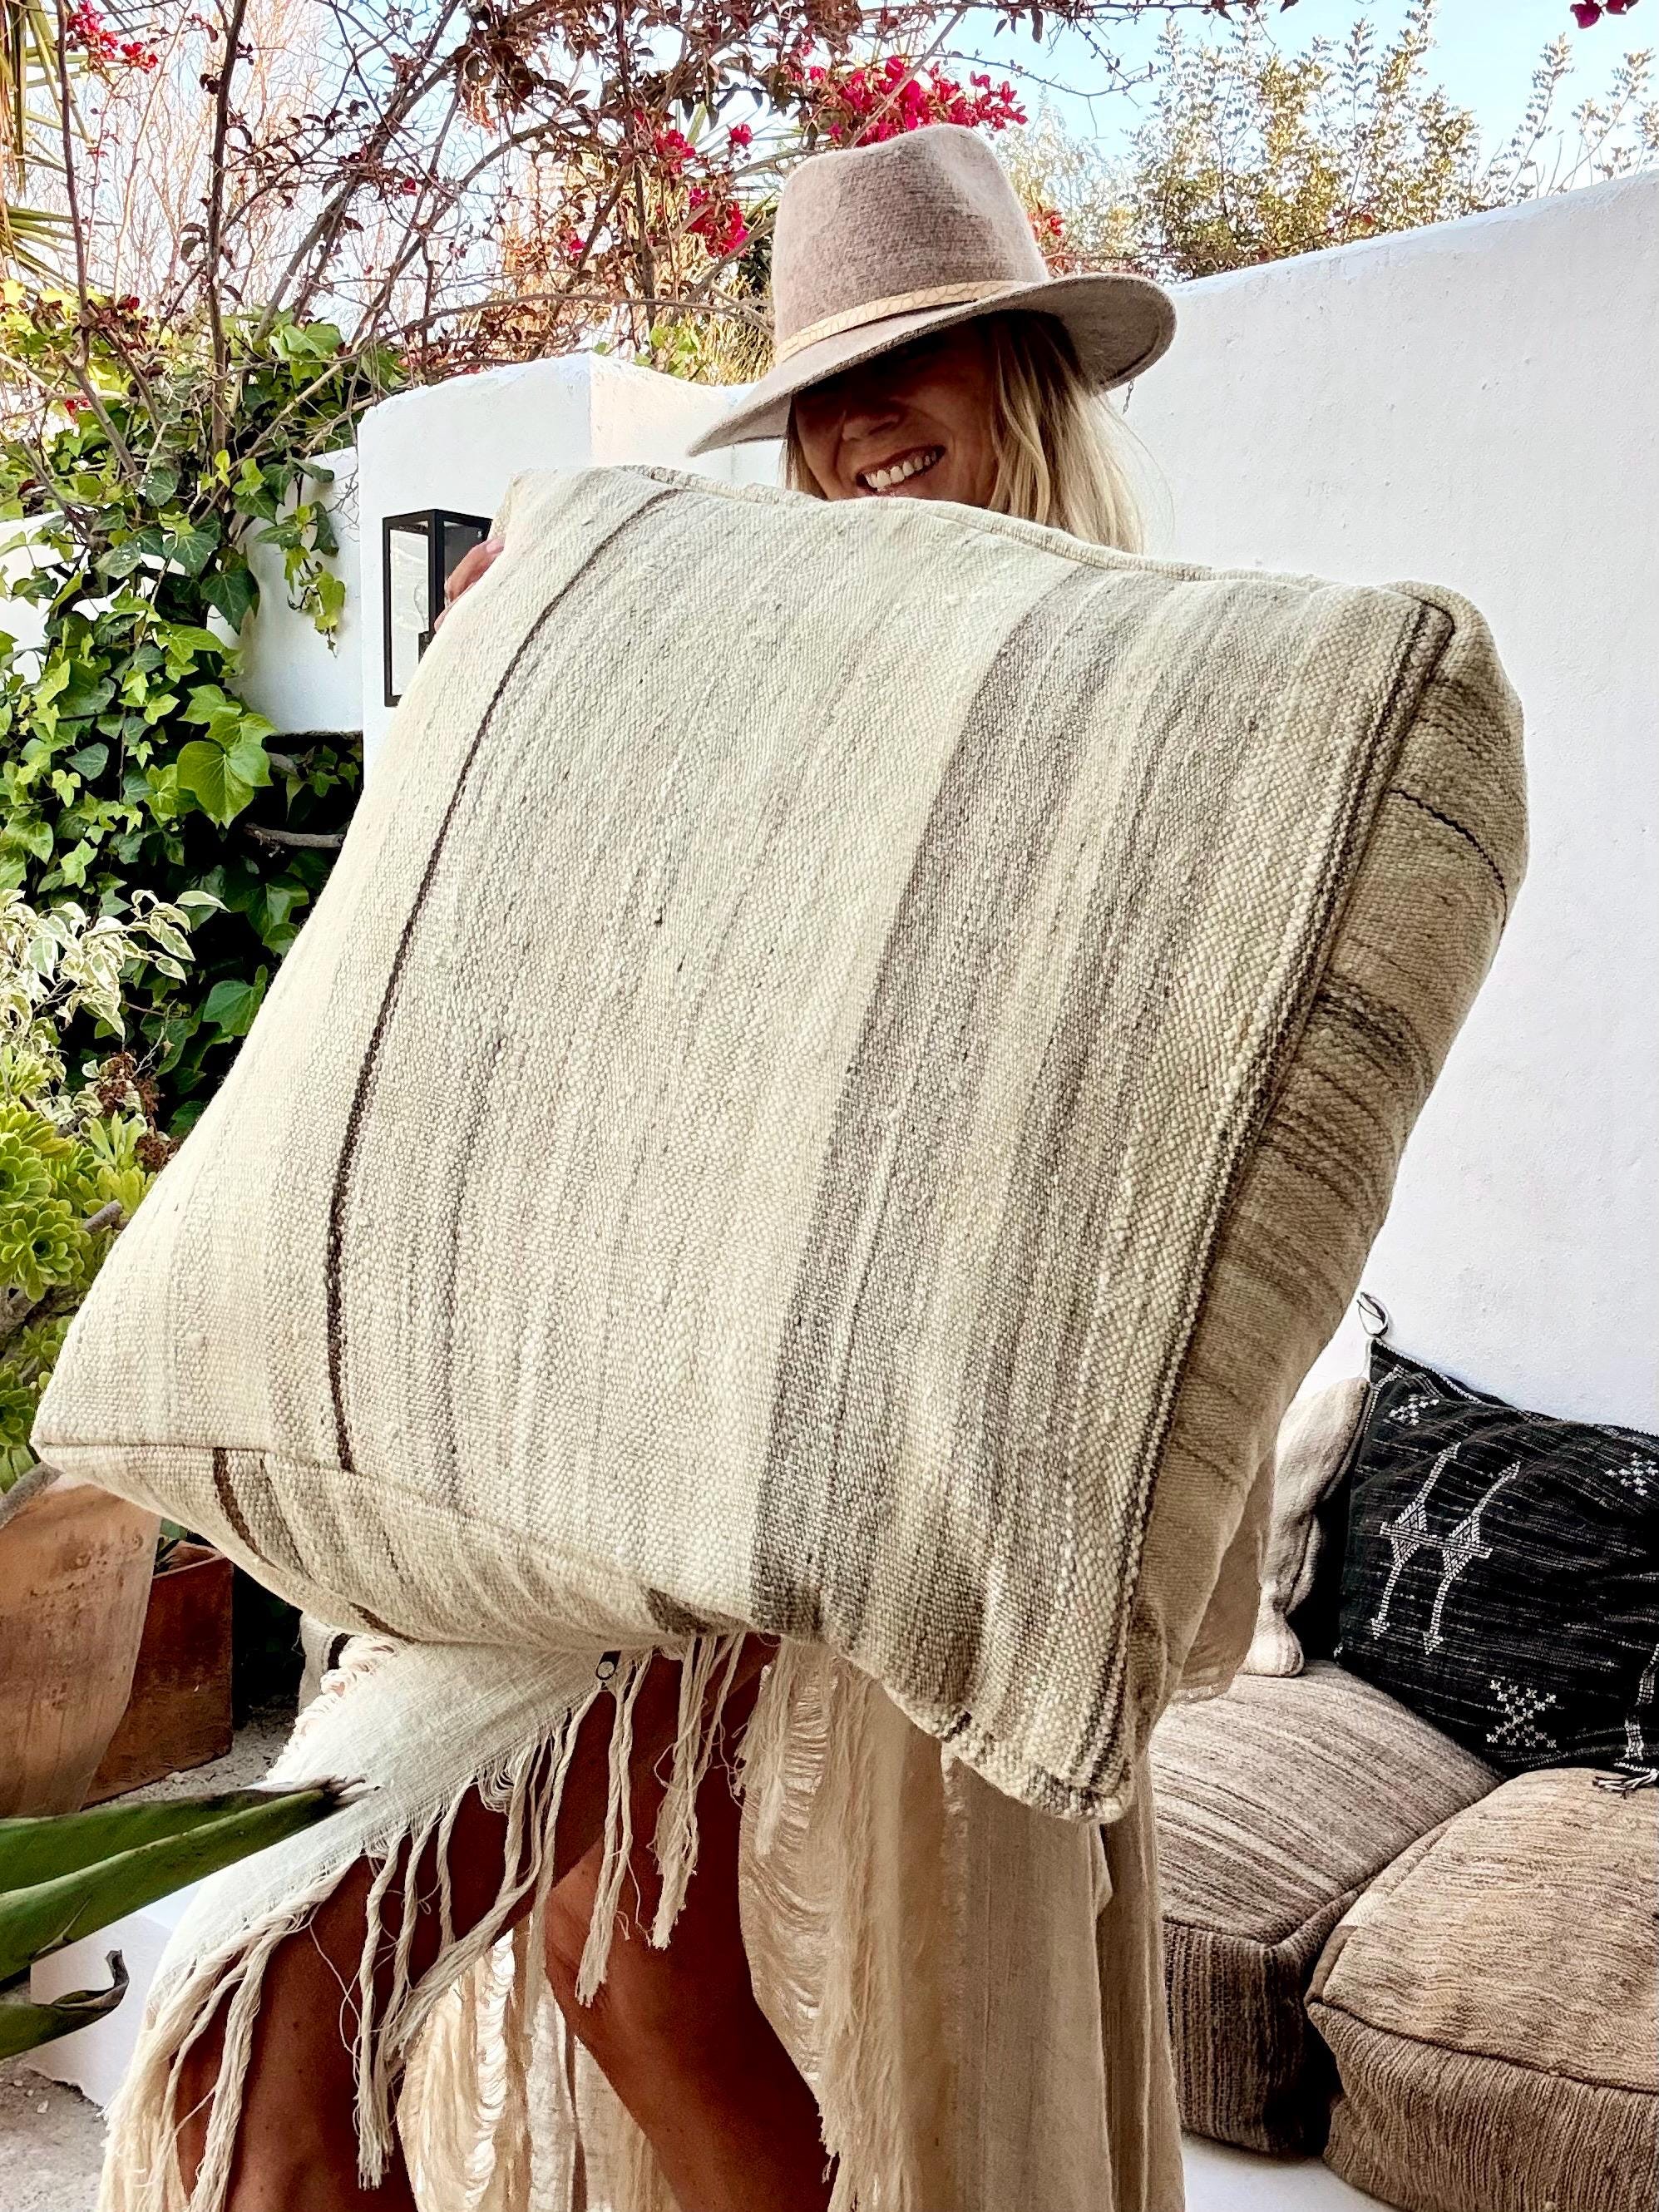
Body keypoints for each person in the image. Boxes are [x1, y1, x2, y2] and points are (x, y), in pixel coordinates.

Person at [169, 126, 1179, 2212]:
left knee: (605, 1957)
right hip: (649, 1413)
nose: (853, 422)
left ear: (1026, 377)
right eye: (817, 389)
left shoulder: (1148, 702)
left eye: (914, 357)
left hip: (885, 1448)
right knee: (438, 1977)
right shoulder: (774, 690)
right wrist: (522, 678)